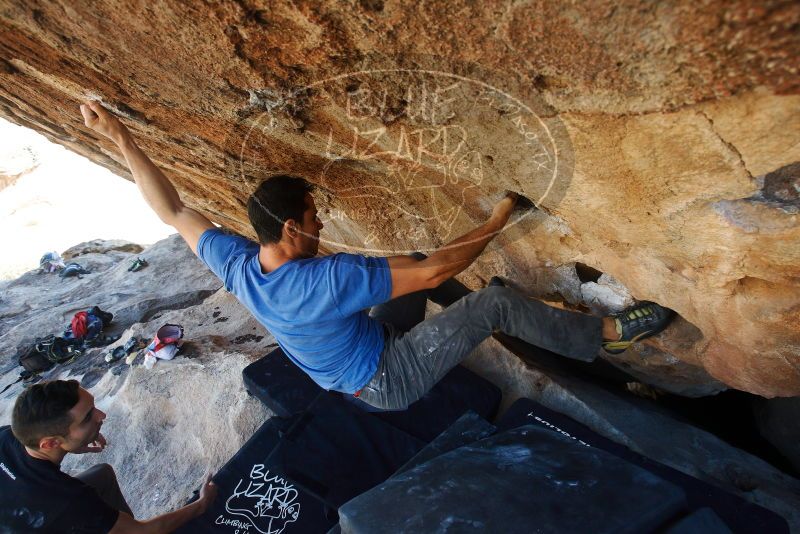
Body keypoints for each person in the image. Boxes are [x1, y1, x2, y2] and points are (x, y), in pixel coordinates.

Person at [80, 101, 675, 410]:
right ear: (291, 227)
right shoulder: (329, 277)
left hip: (358, 351)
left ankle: (520, 324)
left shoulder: (239, 263)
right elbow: (442, 270)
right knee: (488, 302)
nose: (324, 222)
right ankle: (606, 335)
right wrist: (499, 214)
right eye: (315, 217)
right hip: (387, 380)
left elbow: (172, 212)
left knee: (417, 263)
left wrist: (122, 139)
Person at [0, 379, 217, 533]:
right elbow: (143, 532)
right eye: (87, 418)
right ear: (50, 443)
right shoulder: (67, 500)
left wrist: (75, 443)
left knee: (102, 475)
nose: (101, 415)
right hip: (35, 518)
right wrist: (201, 505)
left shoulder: (10, 434)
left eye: (94, 407)